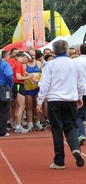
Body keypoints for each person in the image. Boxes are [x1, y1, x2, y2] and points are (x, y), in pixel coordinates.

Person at [37, 40, 85, 169]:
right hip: (70, 99)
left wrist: (40, 101)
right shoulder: (74, 64)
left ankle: (59, 160)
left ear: (54, 51)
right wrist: (79, 97)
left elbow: (44, 84)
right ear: (67, 50)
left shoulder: (50, 65)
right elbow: (80, 83)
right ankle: (75, 147)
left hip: (54, 100)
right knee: (72, 125)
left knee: (57, 129)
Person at [75, 44, 86, 145]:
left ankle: (81, 134)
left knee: (79, 114)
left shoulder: (76, 61)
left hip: (81, 91)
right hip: (80, 90)